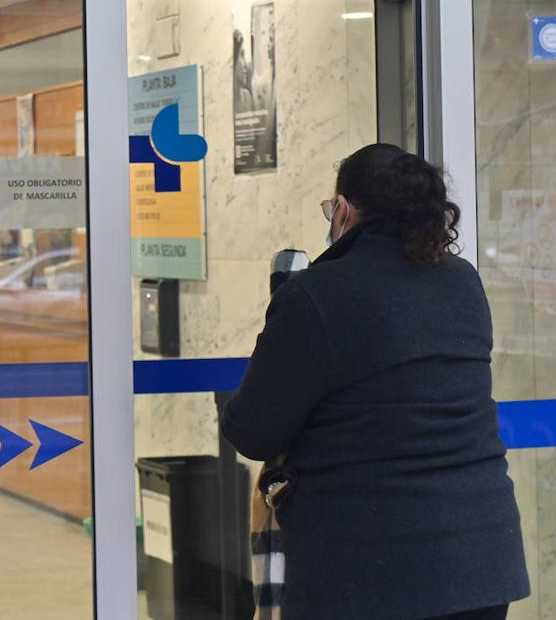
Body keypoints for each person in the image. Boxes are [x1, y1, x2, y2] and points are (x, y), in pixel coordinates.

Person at [220, 143, 529, 620]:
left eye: (331, 209)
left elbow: (256, 431)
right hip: (482, 558)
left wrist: (281, 315)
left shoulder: (318, 293)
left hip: (366, 571)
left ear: (342, 210)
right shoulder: (462, 281)